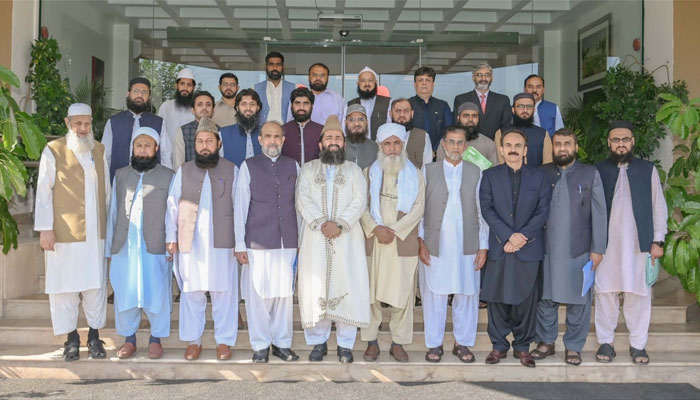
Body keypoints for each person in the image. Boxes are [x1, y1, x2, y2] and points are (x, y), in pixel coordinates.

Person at [34, 103, 110, 361]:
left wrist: (108, 228)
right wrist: (45, 229)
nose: (83, 128)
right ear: (68, 123)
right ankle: (71, 338)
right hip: (64, 234)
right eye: (78, 123)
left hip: (95, 236)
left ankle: (94, 337)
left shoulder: (98, 149)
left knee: (95, 287)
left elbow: (107, 192)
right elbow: (43, 191)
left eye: (87, 123)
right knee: (64, 287)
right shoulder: (53, 150)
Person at [296, 115, 370, 364]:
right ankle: (318, 342)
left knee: (348, 286)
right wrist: (321, 223)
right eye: (329, 137)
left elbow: (360, 200)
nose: (334, 141)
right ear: (320, 144)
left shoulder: (354, 170)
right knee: (315, 285)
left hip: (347, 238)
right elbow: (302, 198)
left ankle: (345, 345)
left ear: (344, 143)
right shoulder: (307, 169)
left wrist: (338, 224)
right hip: (315, 237)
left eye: (338, 137)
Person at [594, 120, 668, 365]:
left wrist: (658, 240)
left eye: (625, 139)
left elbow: (659, 206)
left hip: (640, 244)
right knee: (605, 292)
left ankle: (638, 346)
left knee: (639, 294)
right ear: (609, 143)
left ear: (633, 141)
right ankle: (606, 342)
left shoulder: (648, 169)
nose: (621, 144)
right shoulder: (599, 169)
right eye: (616, 140)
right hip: (606, 245)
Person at [531, 128, 607, 366]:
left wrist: (598, 248)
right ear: (552, 147)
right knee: (546, 298)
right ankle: (546, 341)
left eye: (567, 143)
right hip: (547, 249)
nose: (562, 148)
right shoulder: (542, 173)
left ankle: (574, 346)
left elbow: (600, 213)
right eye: (558, 144)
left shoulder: (589, 173)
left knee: (578, 300)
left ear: (575, 147)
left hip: (579, 250)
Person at [165, 118, 239, 361]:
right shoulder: (184, 170)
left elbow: (241, 207)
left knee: (223, 292)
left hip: (223, 242)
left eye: (209, 141)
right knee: (192, 292)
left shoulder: (232, 169)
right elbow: (172, 207)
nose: (204, 145)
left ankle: (224, 341)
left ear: (218, 143)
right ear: (194, 145)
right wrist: (171, 238)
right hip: (191, 241)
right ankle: (193, 341)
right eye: (200, 141)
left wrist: (240, 243)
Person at [479, 128, 550, 368]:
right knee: (497, 300)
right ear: (501, 149)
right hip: (500, 247)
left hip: (528, 249)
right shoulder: (489, 176)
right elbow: (487, 209)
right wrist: (509, 236)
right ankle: (498, 346)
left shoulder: (539, 177)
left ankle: (522, 347)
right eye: (508, 145)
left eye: (518, 145)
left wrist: (521, 237)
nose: (512, 149)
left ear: (525, 150)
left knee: (526, 301)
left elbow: (543, 211)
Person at [418, 125, 488, 363]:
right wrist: (420, 241)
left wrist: (483, 246)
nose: (456, 147)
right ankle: (434, 344)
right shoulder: (427, 171)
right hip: (435, 242)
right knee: (434, 294)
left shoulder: (477, 172)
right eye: (451, 142)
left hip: (467, 243)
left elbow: (483, 213)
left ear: (466, 146)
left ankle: (463, 343)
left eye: (460, 142)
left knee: (466, 294)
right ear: (443, 145)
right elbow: (419, 211)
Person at [106, 127, 174, 360]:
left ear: (156, 148)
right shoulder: (121, 174)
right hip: (125, 245)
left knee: (157, 291)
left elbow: (172, 214)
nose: (143, 150)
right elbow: (113, 213)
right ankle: (129, 339)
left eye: (148, 145)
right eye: (139, 145)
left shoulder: (169, 175)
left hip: (155, 244)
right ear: (133, 149)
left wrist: (171, 241)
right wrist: (110, 248)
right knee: (126, 290)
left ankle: (156, 338)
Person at [234, 121, 300, 363]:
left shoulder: (294, 165)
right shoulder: (248, 166)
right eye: (268, 136)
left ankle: (282, 344)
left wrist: (300, 239)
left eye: (277, 137)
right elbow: (240, 206)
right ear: (260, 140)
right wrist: (239, 244)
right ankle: (260, 345)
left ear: (283, 140)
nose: (273, 141)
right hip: (257, 241)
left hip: (288, 241)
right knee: (258, 296)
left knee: (284, 295)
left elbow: (299, 205)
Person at [360, 123, 425, 363]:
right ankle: (371, 341)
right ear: (380, 146)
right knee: (371, 294)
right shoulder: (368, 173)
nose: (392, 148)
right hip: (375, 240)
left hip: (402, 241)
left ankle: (398, 342)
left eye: (396, 143)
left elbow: (419, 208)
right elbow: (361, 206)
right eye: (387, 144)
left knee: (404, 294)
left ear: (403, 145)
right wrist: (376, 229)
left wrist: (394, 231)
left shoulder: (415, 174)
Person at [102, 77, 170, 180]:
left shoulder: (159, 123)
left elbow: (166, 155)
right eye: (136, 91)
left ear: (149, 97)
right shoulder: (113, 122)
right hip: (119, 182)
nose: (140, 95)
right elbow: (105, 156)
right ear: (128, 93)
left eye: (144, 92)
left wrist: (167, 180)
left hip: (153, 183)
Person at [453, 62, 512, 140]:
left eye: (487, 75)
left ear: (492, 78)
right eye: (479, 75)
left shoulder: (503, 100)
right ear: (473, 77)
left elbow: (506, 128)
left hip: (494, 147)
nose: (483, 78)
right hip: (469, 146)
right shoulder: (461, 99)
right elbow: (457, 126)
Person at [494, 93, 553, 167]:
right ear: (513, 109)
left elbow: (548, 165)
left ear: (534, 109)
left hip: (536, 178)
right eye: (520, 106)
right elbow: (500, 164)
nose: (525, 110)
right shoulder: (501, 133)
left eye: (529, 107)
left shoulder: (543, 134)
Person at [435, 102, 499, 166]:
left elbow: (494, 172)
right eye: (466, 116)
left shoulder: (488, 143)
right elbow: (439, 169)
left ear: (478, 119)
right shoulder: (446, 142)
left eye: (474, 116)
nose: (470, 119)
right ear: (458, 118)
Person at [408, 66, 454, 151]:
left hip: (438, 154)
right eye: (420, 80)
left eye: (428, 80)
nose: (424, 83)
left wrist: (435, 150)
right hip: (412, 155)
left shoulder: (443, 106)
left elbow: (448, 131)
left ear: (433, 84)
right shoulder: (407, 105)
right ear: (415, 84)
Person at [158, 68, 196, 163]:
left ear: (193, 88)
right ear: (176, 85)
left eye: (189, 85)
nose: (185, 88)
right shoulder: (166, 107)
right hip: (168, 160)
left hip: (193, 160)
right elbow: (160, 134)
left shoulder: (197, 109)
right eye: (182, 84)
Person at [172, 91, 217, 171]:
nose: (204, 108)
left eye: (208, 105)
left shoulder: (220, 131)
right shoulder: (182, 131)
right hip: (190, 179)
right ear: (193, 110)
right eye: (200, 104)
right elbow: (178, 165)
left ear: (213, 110)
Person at [219, 89, 263, 167]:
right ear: (237, 108)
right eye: (243, 104)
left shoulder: (266, 133)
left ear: (258, 108)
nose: (248, 108)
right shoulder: (223, 134)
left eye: (252, 104)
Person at [281, 87, 323, 164]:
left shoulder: (322, 131)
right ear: (291, 106)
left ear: (312, 106)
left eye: (305, 103)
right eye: (297, 103)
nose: (301, 107)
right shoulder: (282, 131)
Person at [347, 66, 391, 139]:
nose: (367, 83)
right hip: (357, 147)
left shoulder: (388, 103)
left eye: (370, 80)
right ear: (358, 83)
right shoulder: (349, 105)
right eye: (363, 81)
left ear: (375, 82)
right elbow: (345, 128)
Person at [390, 98, 433, 168]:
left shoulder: (423, 136)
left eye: (406, 111)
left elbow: (426, 167)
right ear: (390, 114)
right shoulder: (383, 136)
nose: (402, 114)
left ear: (412, 114)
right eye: (398, 111)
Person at [255, 52, 296, 124]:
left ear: (283, 67)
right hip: (263, 132)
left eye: (278, 64)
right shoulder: (256, 89)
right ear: (266, 67)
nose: (275, 68)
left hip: (287, 132)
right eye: (271, 64)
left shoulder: (293, 88)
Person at [344, 104, 379, 170]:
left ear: (367, 123)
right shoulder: (339, 146)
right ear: (345, 123)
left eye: (361, 119)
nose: (356, 123)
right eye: (351, 120)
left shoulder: (374, 147)